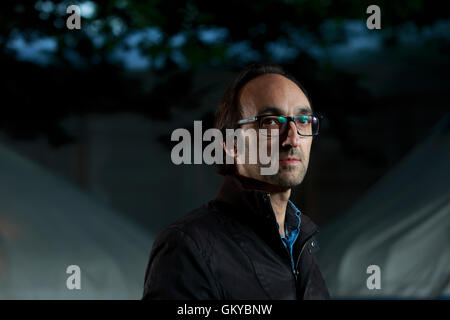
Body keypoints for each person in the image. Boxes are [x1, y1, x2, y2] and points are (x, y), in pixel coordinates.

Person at [142, 62, 330, 300]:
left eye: (303, 121)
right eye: (271, 122)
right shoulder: (188, 246)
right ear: (232, 144)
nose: (293, 139)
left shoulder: (300, 242)